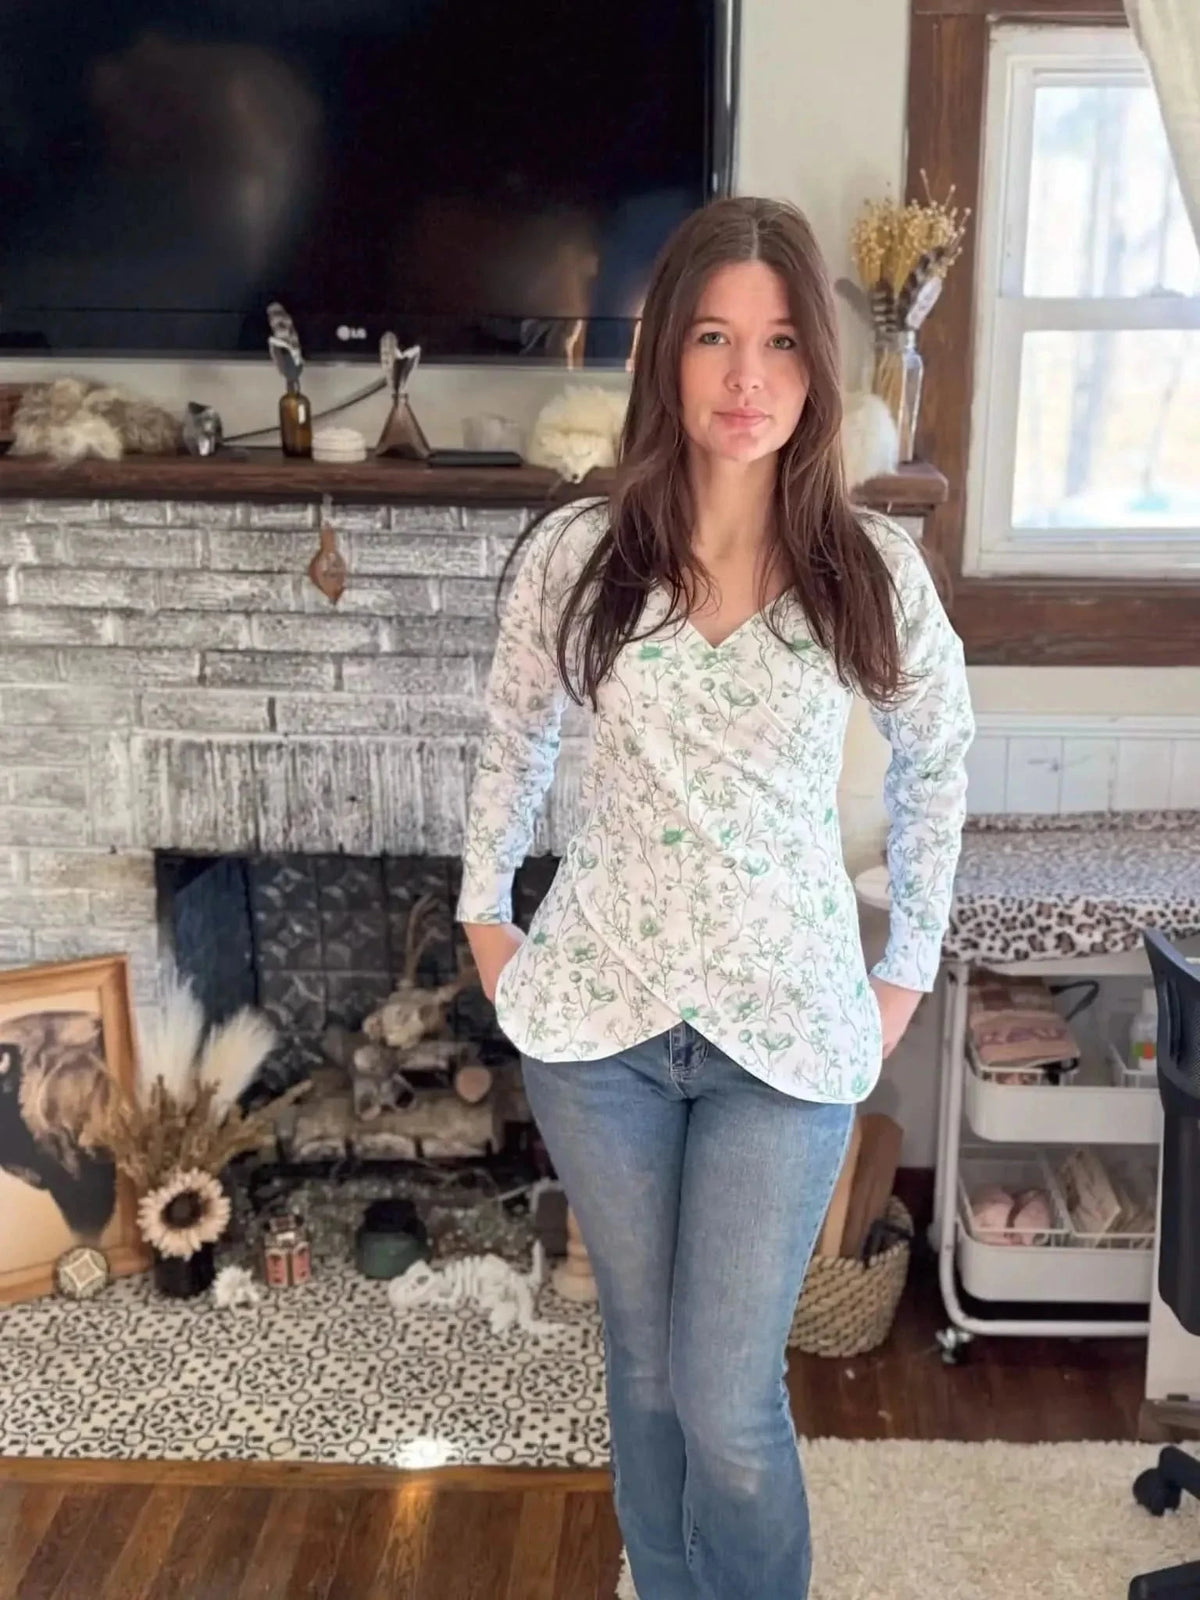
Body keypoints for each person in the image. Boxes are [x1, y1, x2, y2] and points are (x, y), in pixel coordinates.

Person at [457, 196, 974, 1600]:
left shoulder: (867, 572)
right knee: (641, 1369)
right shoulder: (577, 557)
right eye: (712, 337)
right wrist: (488, 924)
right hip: (599, 1024)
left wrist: (904, 972)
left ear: (816, 370)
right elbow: (511, 742)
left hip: (787, 1030)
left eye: (782, 343)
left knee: (725, 1396)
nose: (747, 378)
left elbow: (942, 754)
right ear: (665, 358)